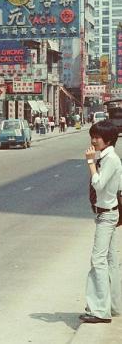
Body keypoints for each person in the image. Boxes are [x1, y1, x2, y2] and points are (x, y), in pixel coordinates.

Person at [80, 120, 122, 324]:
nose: (93, 140)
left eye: (97, 137)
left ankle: (99, 311)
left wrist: (89, 162)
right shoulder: (107, 158)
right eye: (93, 136)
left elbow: (98, 184)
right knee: (112, 261)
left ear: (108, 139)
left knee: (98, 261)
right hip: (108, 213)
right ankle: (114, 306)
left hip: (107, 215)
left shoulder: (110, 159)